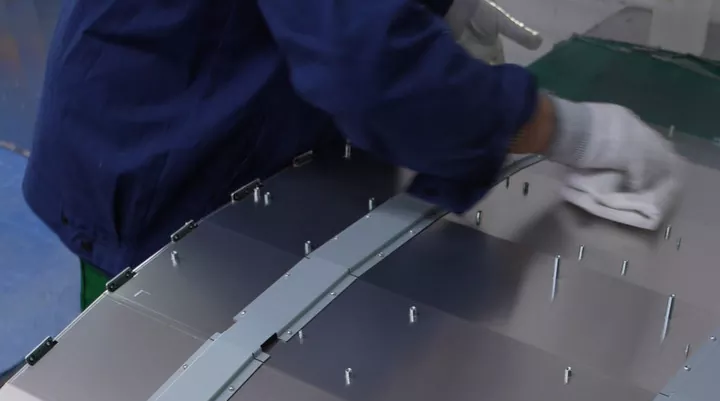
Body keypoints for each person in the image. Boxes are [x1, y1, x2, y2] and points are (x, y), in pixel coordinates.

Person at [22, 0, 678, 280]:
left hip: (228, 94)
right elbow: (368, 64)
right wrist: (570, 131)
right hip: (151, 154)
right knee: (148, 399)